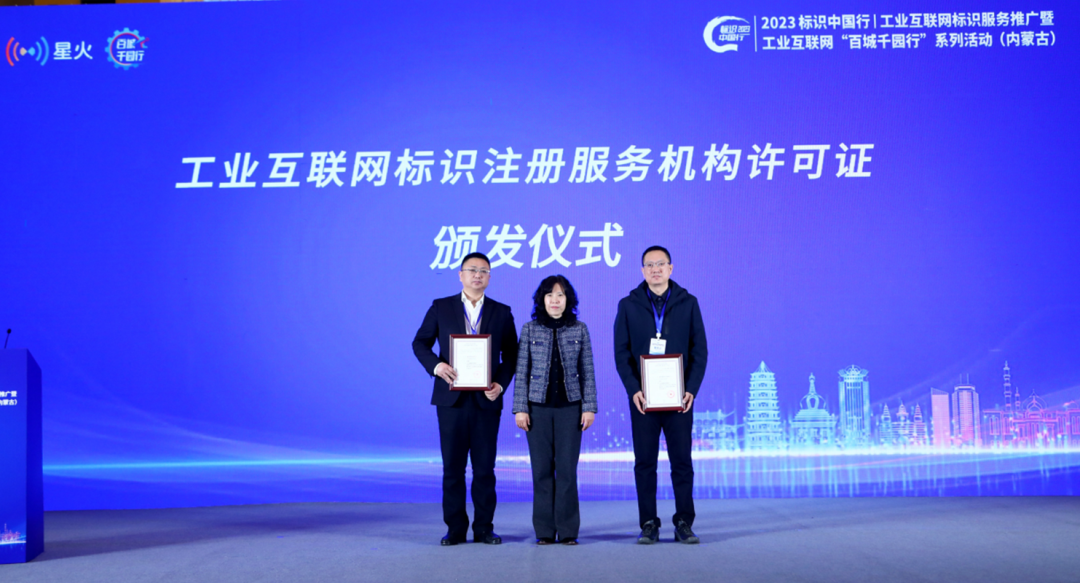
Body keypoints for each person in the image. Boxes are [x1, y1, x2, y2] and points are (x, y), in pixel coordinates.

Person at [412, 252, 518, 546]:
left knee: (484, 469)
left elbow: (512, 354)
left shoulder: (501, 312)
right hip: (451, 400)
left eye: (484, 271)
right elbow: (420, 342)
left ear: (489, 277)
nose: (477, 275)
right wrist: (436, 366)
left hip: (486, 400)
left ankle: (484, 528)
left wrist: (501, 384)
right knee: (453, 469)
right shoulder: (441, 307)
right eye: (472, 270)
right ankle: (455, 529)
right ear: (460, 275)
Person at [613, 245, 708, 544]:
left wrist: (691, 389)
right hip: (644, 400)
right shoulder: (628, 305)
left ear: (671, 268)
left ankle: (684, 523)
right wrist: (634, 390)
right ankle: (648, 524)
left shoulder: (688, 303)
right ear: (642, 271)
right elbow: (621, 353)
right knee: (645, 463)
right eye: (649, 265)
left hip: (679, 400)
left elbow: (700, 351)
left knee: (682, 463)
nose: (655, 269)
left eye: (661, 264)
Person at [513, 275, 597, 546]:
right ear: (542, 299)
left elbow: (587, 371)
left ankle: (568, 530)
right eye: (550, 295)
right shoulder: (530, 329)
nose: (555, 300)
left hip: (570, 409)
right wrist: (520, 408)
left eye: (560, 295)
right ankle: (545, 532)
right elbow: (521, 371)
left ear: (568, 299)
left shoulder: (579, 329)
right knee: (541, 471)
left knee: (567, 472)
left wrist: (589, 407)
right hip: (536, 409)